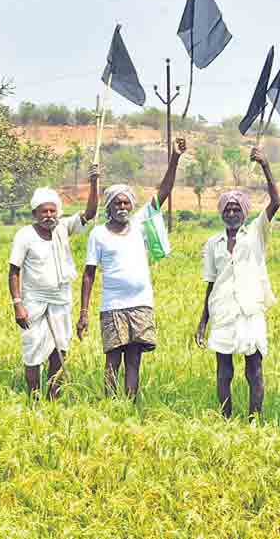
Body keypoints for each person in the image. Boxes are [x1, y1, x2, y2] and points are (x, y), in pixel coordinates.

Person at [77, 137, 186, 399]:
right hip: (113, 305)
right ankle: (110, 404)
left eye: (126, 203)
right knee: (113, 359)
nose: (123, 207)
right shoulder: (99, 234)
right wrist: (83, 313)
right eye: (118, 203)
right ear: (109, 207)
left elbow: (164, 191)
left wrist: (175, 158)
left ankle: (129, 404)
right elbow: (89, 275)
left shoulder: (139, 224)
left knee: (134, 360)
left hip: (141, 303)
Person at [193, 147, 280, 418]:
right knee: (224, 371)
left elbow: (276, 202)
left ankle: (255, 419)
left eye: (236, 209)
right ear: (222, 213)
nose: (231, 213)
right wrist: (203, 322)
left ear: (244, 213)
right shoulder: (213, 243)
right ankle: (225, 418)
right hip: (223, 311)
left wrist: (265, 165)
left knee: (254, 370)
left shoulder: (255, 233)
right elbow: (210, 283)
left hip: (250, 311)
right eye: (228, 209)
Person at [9, 164, 100, 399]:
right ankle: (34, 397)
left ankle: (53, 397)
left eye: (52, 211)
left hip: (61, 300)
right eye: (44, 212)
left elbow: (90, 213)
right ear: (35, 214)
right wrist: (18, 304)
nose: (49, 215)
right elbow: (14, 271)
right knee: (32, 351)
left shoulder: (62, 228)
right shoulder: (25, 235)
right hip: (33, 302)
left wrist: (93, 182)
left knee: (60, 350)